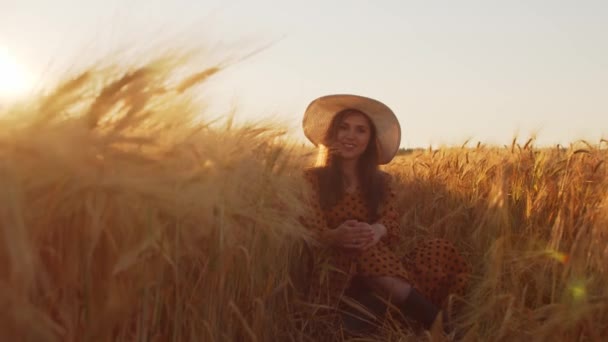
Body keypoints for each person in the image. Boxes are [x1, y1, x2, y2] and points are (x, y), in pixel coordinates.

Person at [299, 94, 471, 335]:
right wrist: (335, 235)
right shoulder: (312, 179)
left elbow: (391, 221)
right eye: (344, 128)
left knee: (429, 250)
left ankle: (383, 309)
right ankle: (442, 327)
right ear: (333, 134)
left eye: (361, 130)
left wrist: (376, 230)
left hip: (375, 269)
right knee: (360, 249)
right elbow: (309, 227)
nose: (351, 136)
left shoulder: (382, 182)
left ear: (370, 140)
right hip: (333, 269)